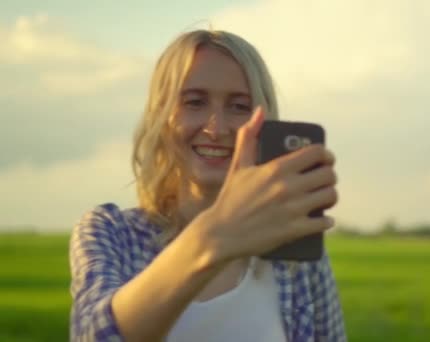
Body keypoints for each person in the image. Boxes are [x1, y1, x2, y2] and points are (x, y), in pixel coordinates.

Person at [69, 29, 346, 342]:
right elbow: (93, 334)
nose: (216, 128)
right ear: (160, 115)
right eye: (195, 102)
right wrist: (217, 234)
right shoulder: (110, 233)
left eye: (240, 106)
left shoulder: (295, 257)